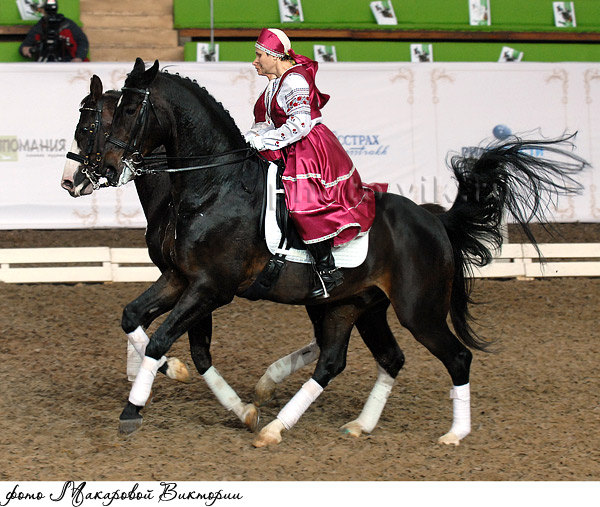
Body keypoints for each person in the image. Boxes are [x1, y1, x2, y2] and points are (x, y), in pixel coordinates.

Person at [246, 28, 382, 298]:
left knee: (304, 201)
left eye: (259, 55)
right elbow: (264, 123)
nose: (255, 61)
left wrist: (266, 141)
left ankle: (327, 270)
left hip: (308, 147)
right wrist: (251, 137)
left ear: (274, 55)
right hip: (285, 144)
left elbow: (299, 123)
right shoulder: (274, 83)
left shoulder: (294, 80)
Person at [19, 0, 89, 62]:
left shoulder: (67, 24)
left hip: (67, 60)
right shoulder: (40, 26)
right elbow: (25, 46)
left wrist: (79, 57)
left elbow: (83, 41)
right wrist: (25, 50)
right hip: (45, 62)